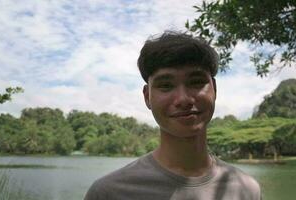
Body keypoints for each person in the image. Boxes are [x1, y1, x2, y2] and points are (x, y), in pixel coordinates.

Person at [84, 31, 261, 200]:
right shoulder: (110, 193)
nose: (183, 99)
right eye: (166, 86)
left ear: (214, 89)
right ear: (147, 97)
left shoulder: (247, 189)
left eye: (196, 82)